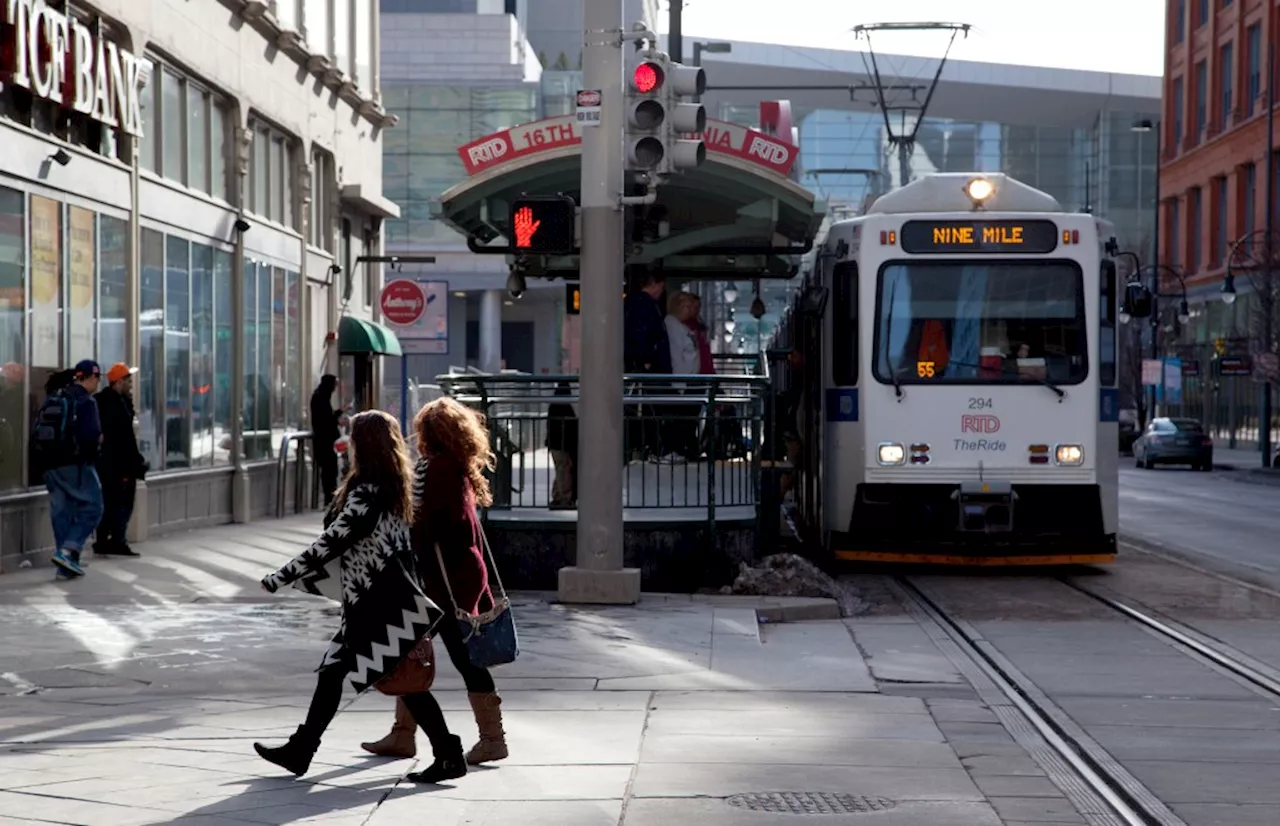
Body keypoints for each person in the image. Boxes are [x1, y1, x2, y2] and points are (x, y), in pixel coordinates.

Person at [254, 410, 468, 784]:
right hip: (383, 604)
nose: (349, 445)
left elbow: (332, 541)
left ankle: (303, 750)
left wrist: (279, 577)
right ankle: (302, 749)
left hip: (378, 605)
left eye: (353, 438)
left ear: (363, 445)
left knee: (381, 679)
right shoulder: (394, 488)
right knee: (356, 675)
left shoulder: (369, 494)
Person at [362, 397, 509, 766]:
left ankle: (493, 739)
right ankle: (402, 734)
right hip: (456, 575)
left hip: (445, 582)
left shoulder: (437, 469)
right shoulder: (457, 466)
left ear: (429, 433)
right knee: (409, 649)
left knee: (462, 658)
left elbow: (430, 524)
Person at [32, 360, 104, 579]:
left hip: (49, 465)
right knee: (93, 507)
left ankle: (65, 566)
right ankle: (67, 551)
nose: (98, 383)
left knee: (61, 512)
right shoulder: (86, 402)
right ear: (90, 378)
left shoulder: (57, 397)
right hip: (74, 465)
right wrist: (95, 451)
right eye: (97, 378)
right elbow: (91, 437)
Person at [94, 363, 147, 557]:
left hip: (108, 463)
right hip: (118, 463)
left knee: (110, 503)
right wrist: (135, 461)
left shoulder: (106, 401)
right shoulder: (115, 404)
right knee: (121, 503)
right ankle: (116, 541)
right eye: (128, 380)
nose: (131, 385)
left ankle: (104, 540)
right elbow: (125, 437)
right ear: (119, 382)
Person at [545, 381, 578, 509]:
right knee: (564, 470)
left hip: (554, 444)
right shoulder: (566, 407)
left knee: (560, 469)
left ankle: (557, 496)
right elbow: (572, 426)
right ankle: (564, 499)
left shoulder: (553, 405)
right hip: (563, 444)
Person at [310, 375, 341, 505]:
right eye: (334, 384)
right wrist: (339, 413)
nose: (335, 388)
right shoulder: (320, 399)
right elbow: (325, 420)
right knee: (329, 472)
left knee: (330, 471)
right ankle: (329, 498)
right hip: (325, 443)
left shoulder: (321, 397)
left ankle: (330, 497)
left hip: (326, 442)